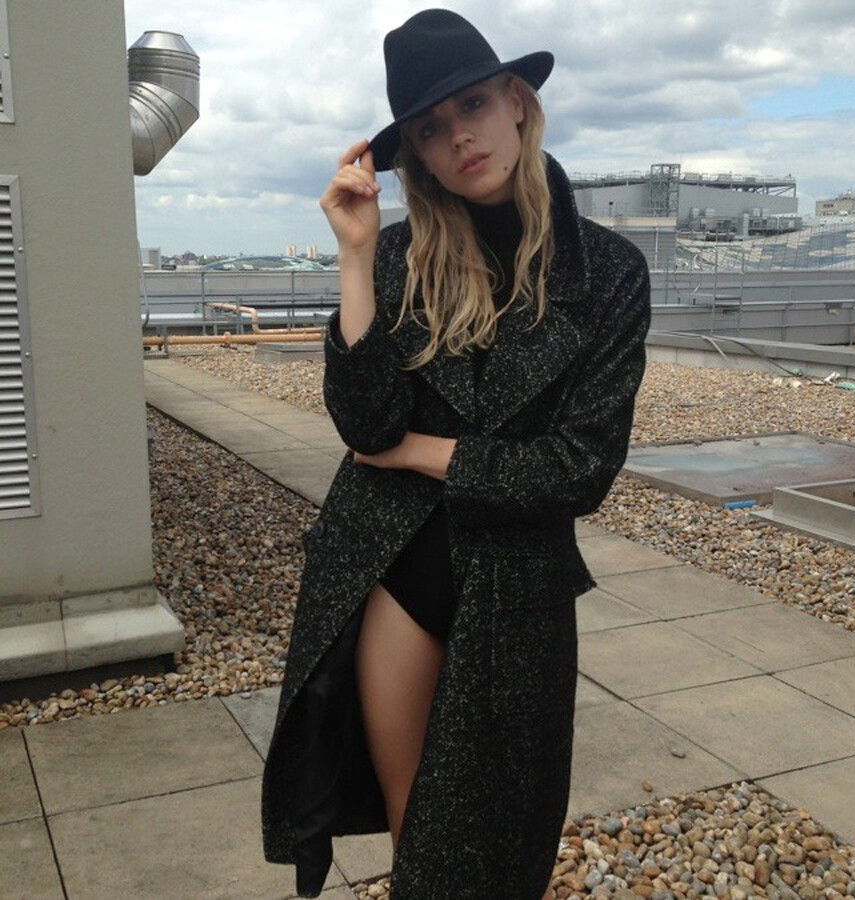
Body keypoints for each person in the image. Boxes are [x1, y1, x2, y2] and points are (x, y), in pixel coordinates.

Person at [262, 9, 651, 899]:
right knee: (420, 842)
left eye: (471, 105)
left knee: (506, 842)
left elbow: (580, 467)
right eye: (431, 129)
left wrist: (424, 450)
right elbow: (366, 427)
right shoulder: (401, 258)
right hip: (393, 567)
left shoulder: (607, 270)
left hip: (518, 585)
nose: (458, 137)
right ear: (418, 158)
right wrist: (355, 259)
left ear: (516, 101)